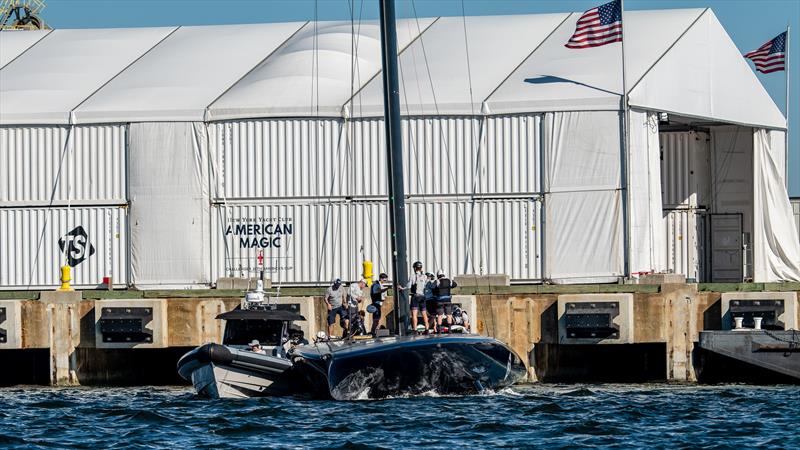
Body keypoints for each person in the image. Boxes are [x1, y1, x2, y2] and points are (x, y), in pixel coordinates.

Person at [398, 261, 428, 333]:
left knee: (414, 314)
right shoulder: (425, 276)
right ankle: (427, 329)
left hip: (415, 296)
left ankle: (415, 330)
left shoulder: (413, 276)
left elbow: (409, 286)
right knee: (424, 313)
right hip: (423, 297)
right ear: (421, 268)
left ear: (415, 268)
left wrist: (402, 288)